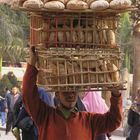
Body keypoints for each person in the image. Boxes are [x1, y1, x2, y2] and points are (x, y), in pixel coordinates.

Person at [22, 46, 123, 140]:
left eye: (74, 90)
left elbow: (114, 121)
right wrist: (31, 65)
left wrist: (116, 95)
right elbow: (28, 95)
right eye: (65, 90)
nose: (70, 94)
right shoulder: (45, 116)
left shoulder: (89, 121)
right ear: (57, 94)